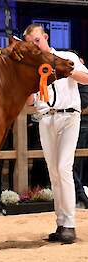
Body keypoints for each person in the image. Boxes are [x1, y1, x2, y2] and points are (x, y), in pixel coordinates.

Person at [24, 23, 88, 244]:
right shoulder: (34, 66)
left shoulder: (66, 56)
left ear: (45, 37)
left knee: (63, 168)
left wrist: (66, 70)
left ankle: (70, 224)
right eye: (31, 43)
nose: (35, 45)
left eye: (37, 41)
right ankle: (60, 223)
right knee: (54, 172)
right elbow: (30, 100)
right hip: (45, 118)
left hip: (69, 116)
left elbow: (86, 78)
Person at [72, 53, 88, 208]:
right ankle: (80, 195)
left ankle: (81, 196)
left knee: (75, 164)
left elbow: (84, 100)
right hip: (75, 122)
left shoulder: (82, 81)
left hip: (81, 123)